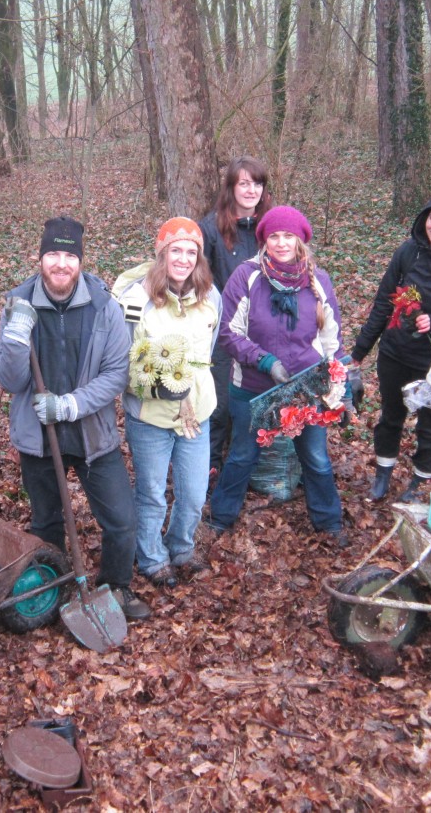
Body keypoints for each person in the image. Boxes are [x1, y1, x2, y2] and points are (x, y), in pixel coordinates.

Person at [0, 216, 151, 621]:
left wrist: (69, 405)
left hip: (91, 436)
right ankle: (57, 588)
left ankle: (116, 585)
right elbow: (10, 381)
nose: (60, 263)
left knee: (121, 520)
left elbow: (116, 373)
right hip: (38, 439)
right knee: (46, 522)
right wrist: (15, 338)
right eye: (52, 254)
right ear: (39, 257)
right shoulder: (18, 303)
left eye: (68, 255)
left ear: (80, 260)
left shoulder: (103, 306)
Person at [208, 206, 348, 545]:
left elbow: (332, 339)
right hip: (254, 387)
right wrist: (265, 361)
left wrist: (341, 382)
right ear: (264, 239)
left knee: (315, 457)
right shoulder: (247, 276)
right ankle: (219, 519)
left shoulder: (318, 280)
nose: (281, 243)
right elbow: (228, 332)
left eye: (289, 236)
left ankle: (330, 523)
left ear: (301, 239)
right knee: (243, 455)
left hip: (306, 388)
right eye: (274, 236)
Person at [349, 189, 431, 503]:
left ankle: (418, 482)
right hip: (395, 353)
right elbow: (383, 303)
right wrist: (359, 352)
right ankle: (383, 473)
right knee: (390, 416)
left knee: (430, 423)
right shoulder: (408, 253)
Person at [114, 217, 221, 588]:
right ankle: (151, 557)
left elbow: (211, 349)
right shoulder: (134, 301)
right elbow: (117, 361)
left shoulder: (211, 298)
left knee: (193, 494)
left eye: (191, 252)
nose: (183, 258)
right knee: (152, 493)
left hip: (197, 416)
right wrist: (154, 390)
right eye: (176, 250)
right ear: (161, 254)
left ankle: (181, 547)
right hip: (150, 418)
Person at [200, 156, 271, 472]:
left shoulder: (272, 227)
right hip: (224, 332)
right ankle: (211, 468)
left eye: (257, 183)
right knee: (220, 404)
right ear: (231, 187)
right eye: (244, 183)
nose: (251, 190)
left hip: (266, 330)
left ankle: (258, 466)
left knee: (262, 400)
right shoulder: (212, 227)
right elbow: (199, 279)